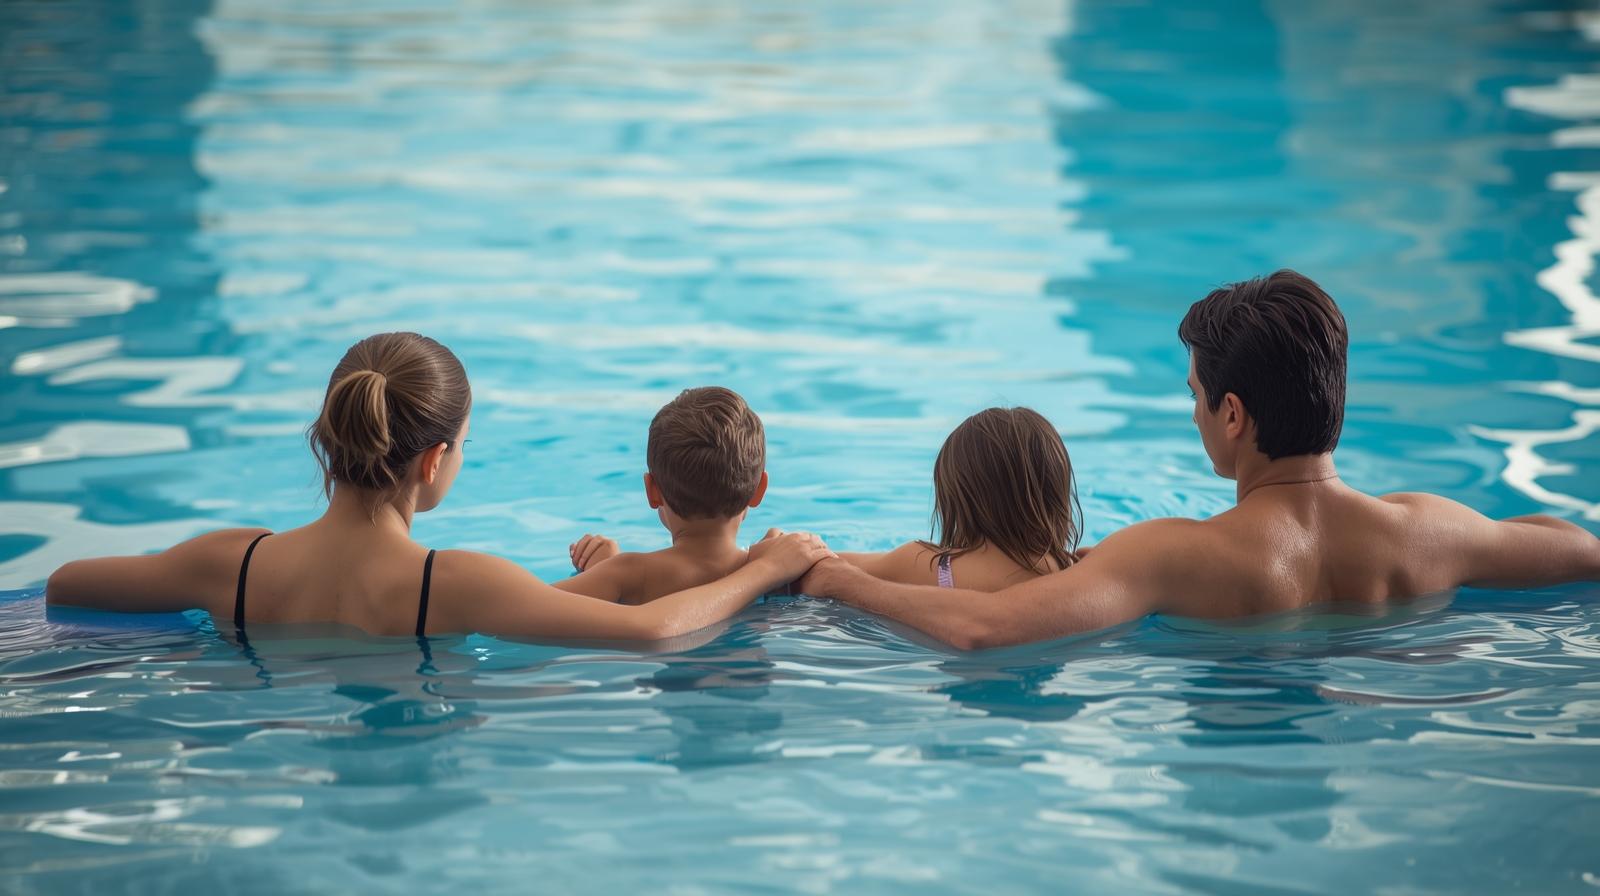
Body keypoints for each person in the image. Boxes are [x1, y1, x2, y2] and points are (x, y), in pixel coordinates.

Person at [797, 270, 1600, 649]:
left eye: (1194, 396)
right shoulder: (1433, 531)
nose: (1193, 415)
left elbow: (985, 627)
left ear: (1233, 414)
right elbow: (1580, 553)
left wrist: (840, 582)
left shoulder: (1172, 553)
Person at [45, 333, 831, 640]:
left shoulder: (228, 562)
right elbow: (655, 630)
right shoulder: (456, 583)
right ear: (433, 462)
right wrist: (765, 568)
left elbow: (64, 585)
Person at [557, 386, 774, 604]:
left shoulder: (628, 575)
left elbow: (530, 606)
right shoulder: (778, 574)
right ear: (759, 490)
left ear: (652, 491)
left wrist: (601, 572)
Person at [834, 407, 1082, 591]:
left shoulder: (930, 566)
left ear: (958, 499)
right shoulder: (1078, 571)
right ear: (1057, 492)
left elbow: (835, 567)